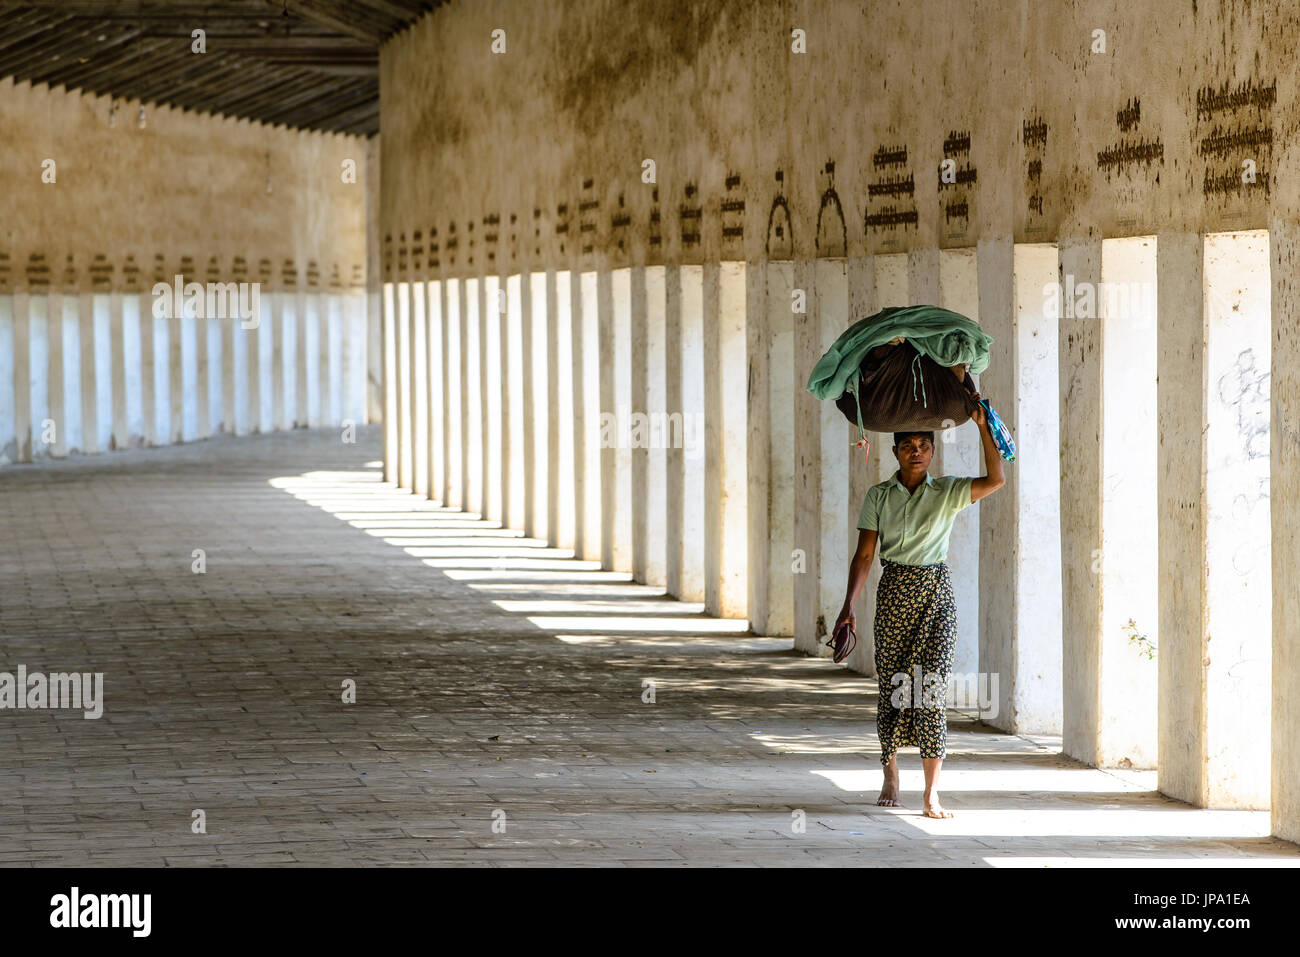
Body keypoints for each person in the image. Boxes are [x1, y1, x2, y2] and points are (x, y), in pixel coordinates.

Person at [834, 393, 1005, 819]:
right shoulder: (879, 496)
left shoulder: (947, 492)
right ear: (894, 452)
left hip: (936, 597)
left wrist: (984, 427)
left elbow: (996, 479)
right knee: (893, 688)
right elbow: (865, 556)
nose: (916, 451)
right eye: (908, 445)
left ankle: (931, 792)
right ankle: (891, 773)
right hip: (893, 594)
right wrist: (847, 606)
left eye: (924, 445)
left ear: (933, 450)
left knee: (930, 692)